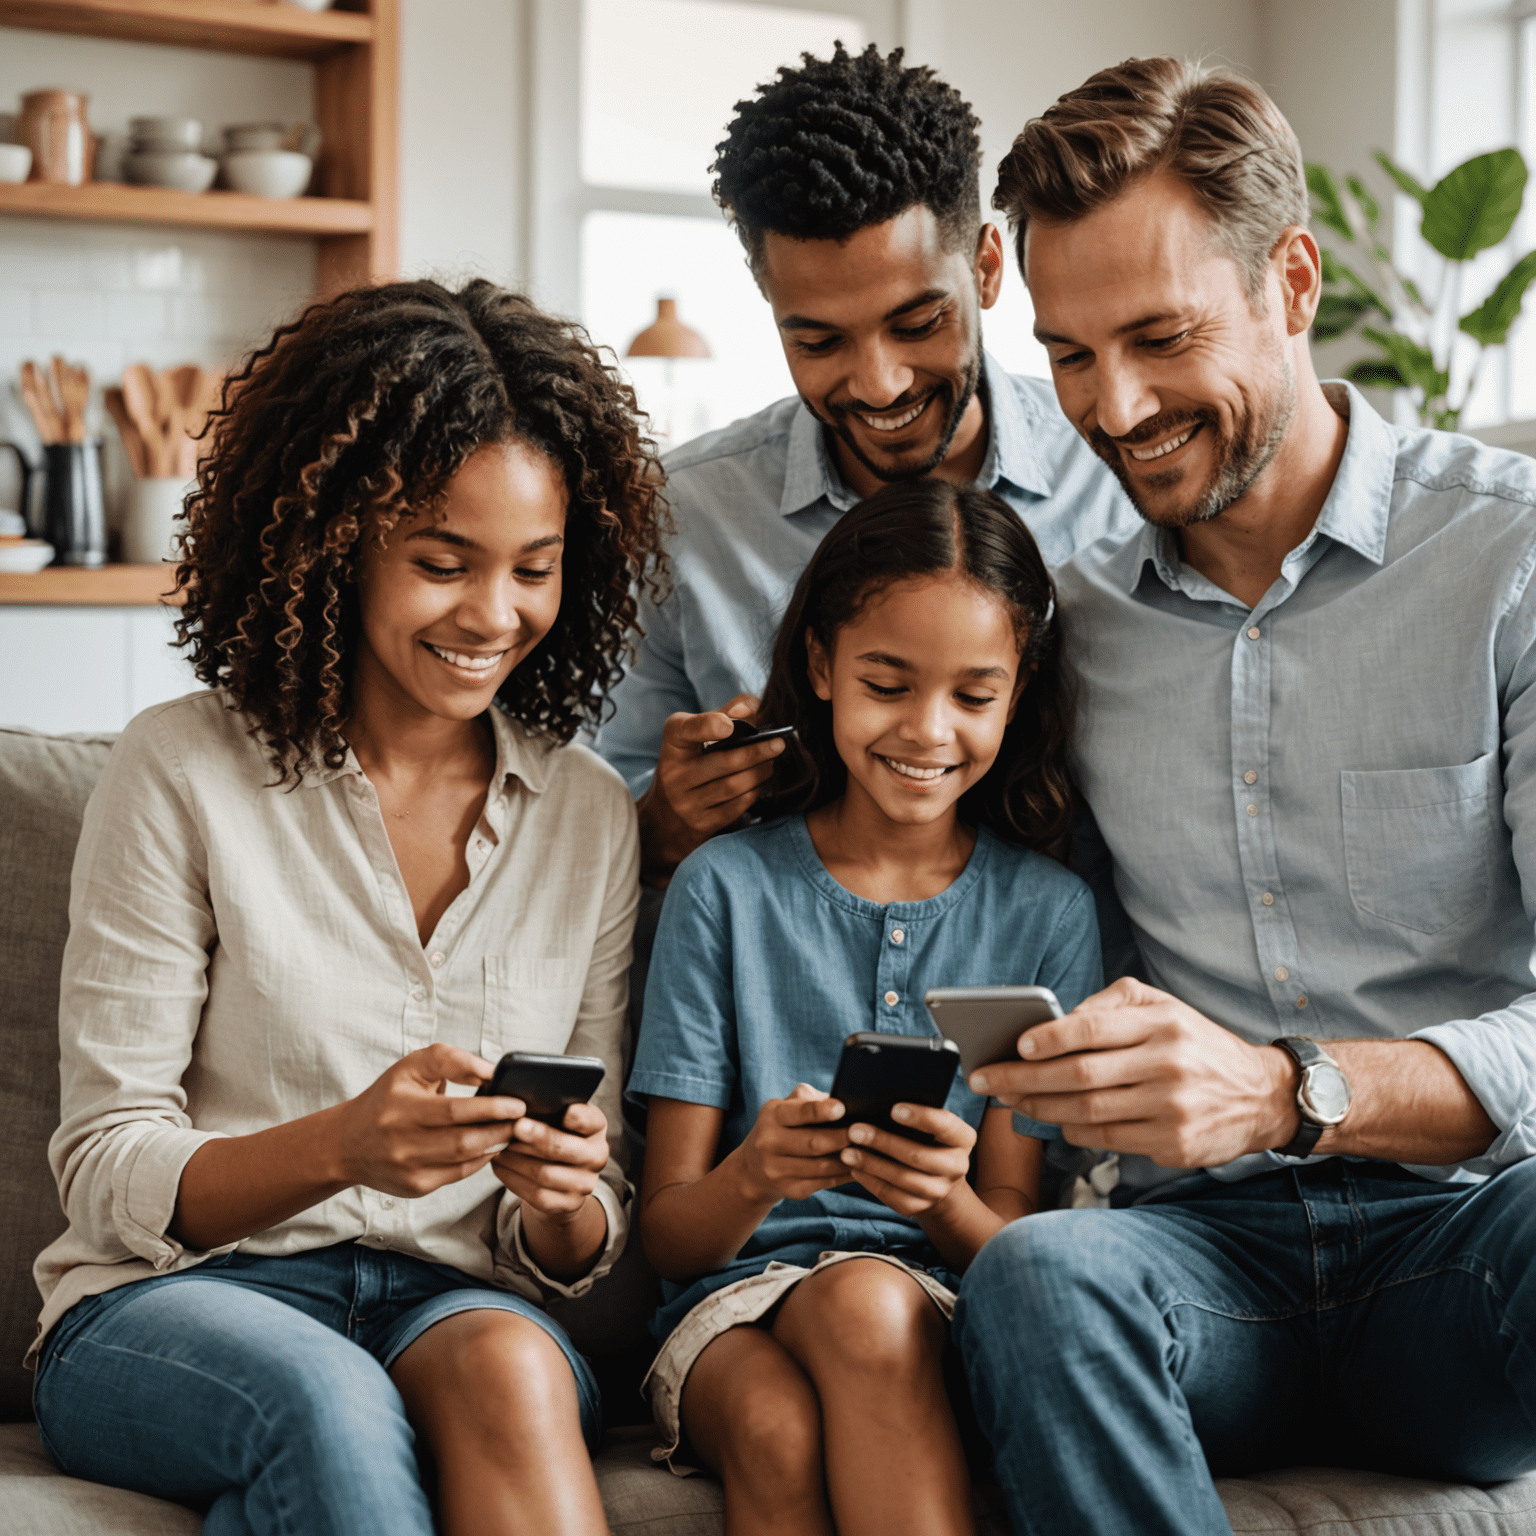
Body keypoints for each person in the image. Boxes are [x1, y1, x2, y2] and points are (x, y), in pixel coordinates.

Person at [949, 55, 1536, 1536]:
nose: (1115, 406)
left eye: (1158, 337)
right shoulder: (1064, 631)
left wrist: (1292, 1091)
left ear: (1293, 279)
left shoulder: (1508, 564)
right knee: (1037, 1279)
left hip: (1466, 1252)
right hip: (1195, 1269)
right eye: (1069, 355)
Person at [30, 279, 668, 1536]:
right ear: (331, 539)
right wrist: (341, 1147)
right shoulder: (180, 770)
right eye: (443, 563)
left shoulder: (586, 810)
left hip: (448, 1298)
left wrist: (567, 1191)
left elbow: (585, 1242)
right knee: (322, 1401)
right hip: (175, 1304)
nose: (495, 615)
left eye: (533, 569)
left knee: (518, 1372)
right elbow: (107, 1165)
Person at [628, 478, 1103, 1536]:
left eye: (974, 697)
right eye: (887, 683)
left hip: (929, 1304)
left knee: (850, 1324)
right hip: (725, 1313)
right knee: (783, 1396)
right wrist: (756, 1171)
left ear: (1019, 693)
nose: (928, 731)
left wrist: (940, 1203)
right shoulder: (726, 888)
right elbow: (669, 1237)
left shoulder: (1046, 913)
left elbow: (1008, 1234)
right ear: (821, 669)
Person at [593, 42, 1137, 888]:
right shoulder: (683, 518)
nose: (878, 383)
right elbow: (595, 825)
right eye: (817, 340)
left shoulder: (1117, 480)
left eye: (918, 323)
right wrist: (661, 824)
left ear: (988, 269)